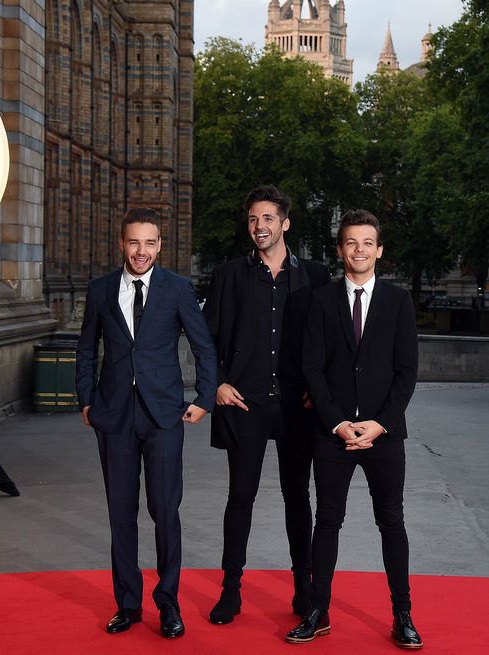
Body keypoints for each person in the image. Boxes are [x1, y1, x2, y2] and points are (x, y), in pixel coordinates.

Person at [75, 207, 217, 639]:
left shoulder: (177, 289)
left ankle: (169, 606)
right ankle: (128, 605)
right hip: (114, 416)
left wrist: (205, 398)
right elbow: (85, 349)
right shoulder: (100, 290)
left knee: (164, 511)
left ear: (160, 245)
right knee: (121, 513)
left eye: (150, 243)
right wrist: (86, 401)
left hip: (163, 416)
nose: (142, 251)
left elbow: (203, 347)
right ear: (122, 243)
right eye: (134, 242)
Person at [287, 209, 423, 649]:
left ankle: (403, 615)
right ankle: (318, 611)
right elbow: (312, 367)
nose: (359, 250)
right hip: (334, 433)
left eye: (367, 243)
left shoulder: (398, 302)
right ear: (340, 249)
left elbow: (407, 372)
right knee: (326, 522)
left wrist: (379, 424)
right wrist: (339, 423)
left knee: (392, 522)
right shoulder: (321, 300)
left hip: (384, 435)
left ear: (379, 251)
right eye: (351, 243)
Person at [202, 185, 331, 624]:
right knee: (241, 495)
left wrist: (324, 391)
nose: (260, 226)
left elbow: (328, 341)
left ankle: (303, 589)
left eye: (268, 219)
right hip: (244, 403)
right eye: (254, 219)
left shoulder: (315, 276)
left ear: (285, 223)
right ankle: (231, 591)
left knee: (299, 496)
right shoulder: (229, 276)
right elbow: (206, 339)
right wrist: (216, 383)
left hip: (298, 406)